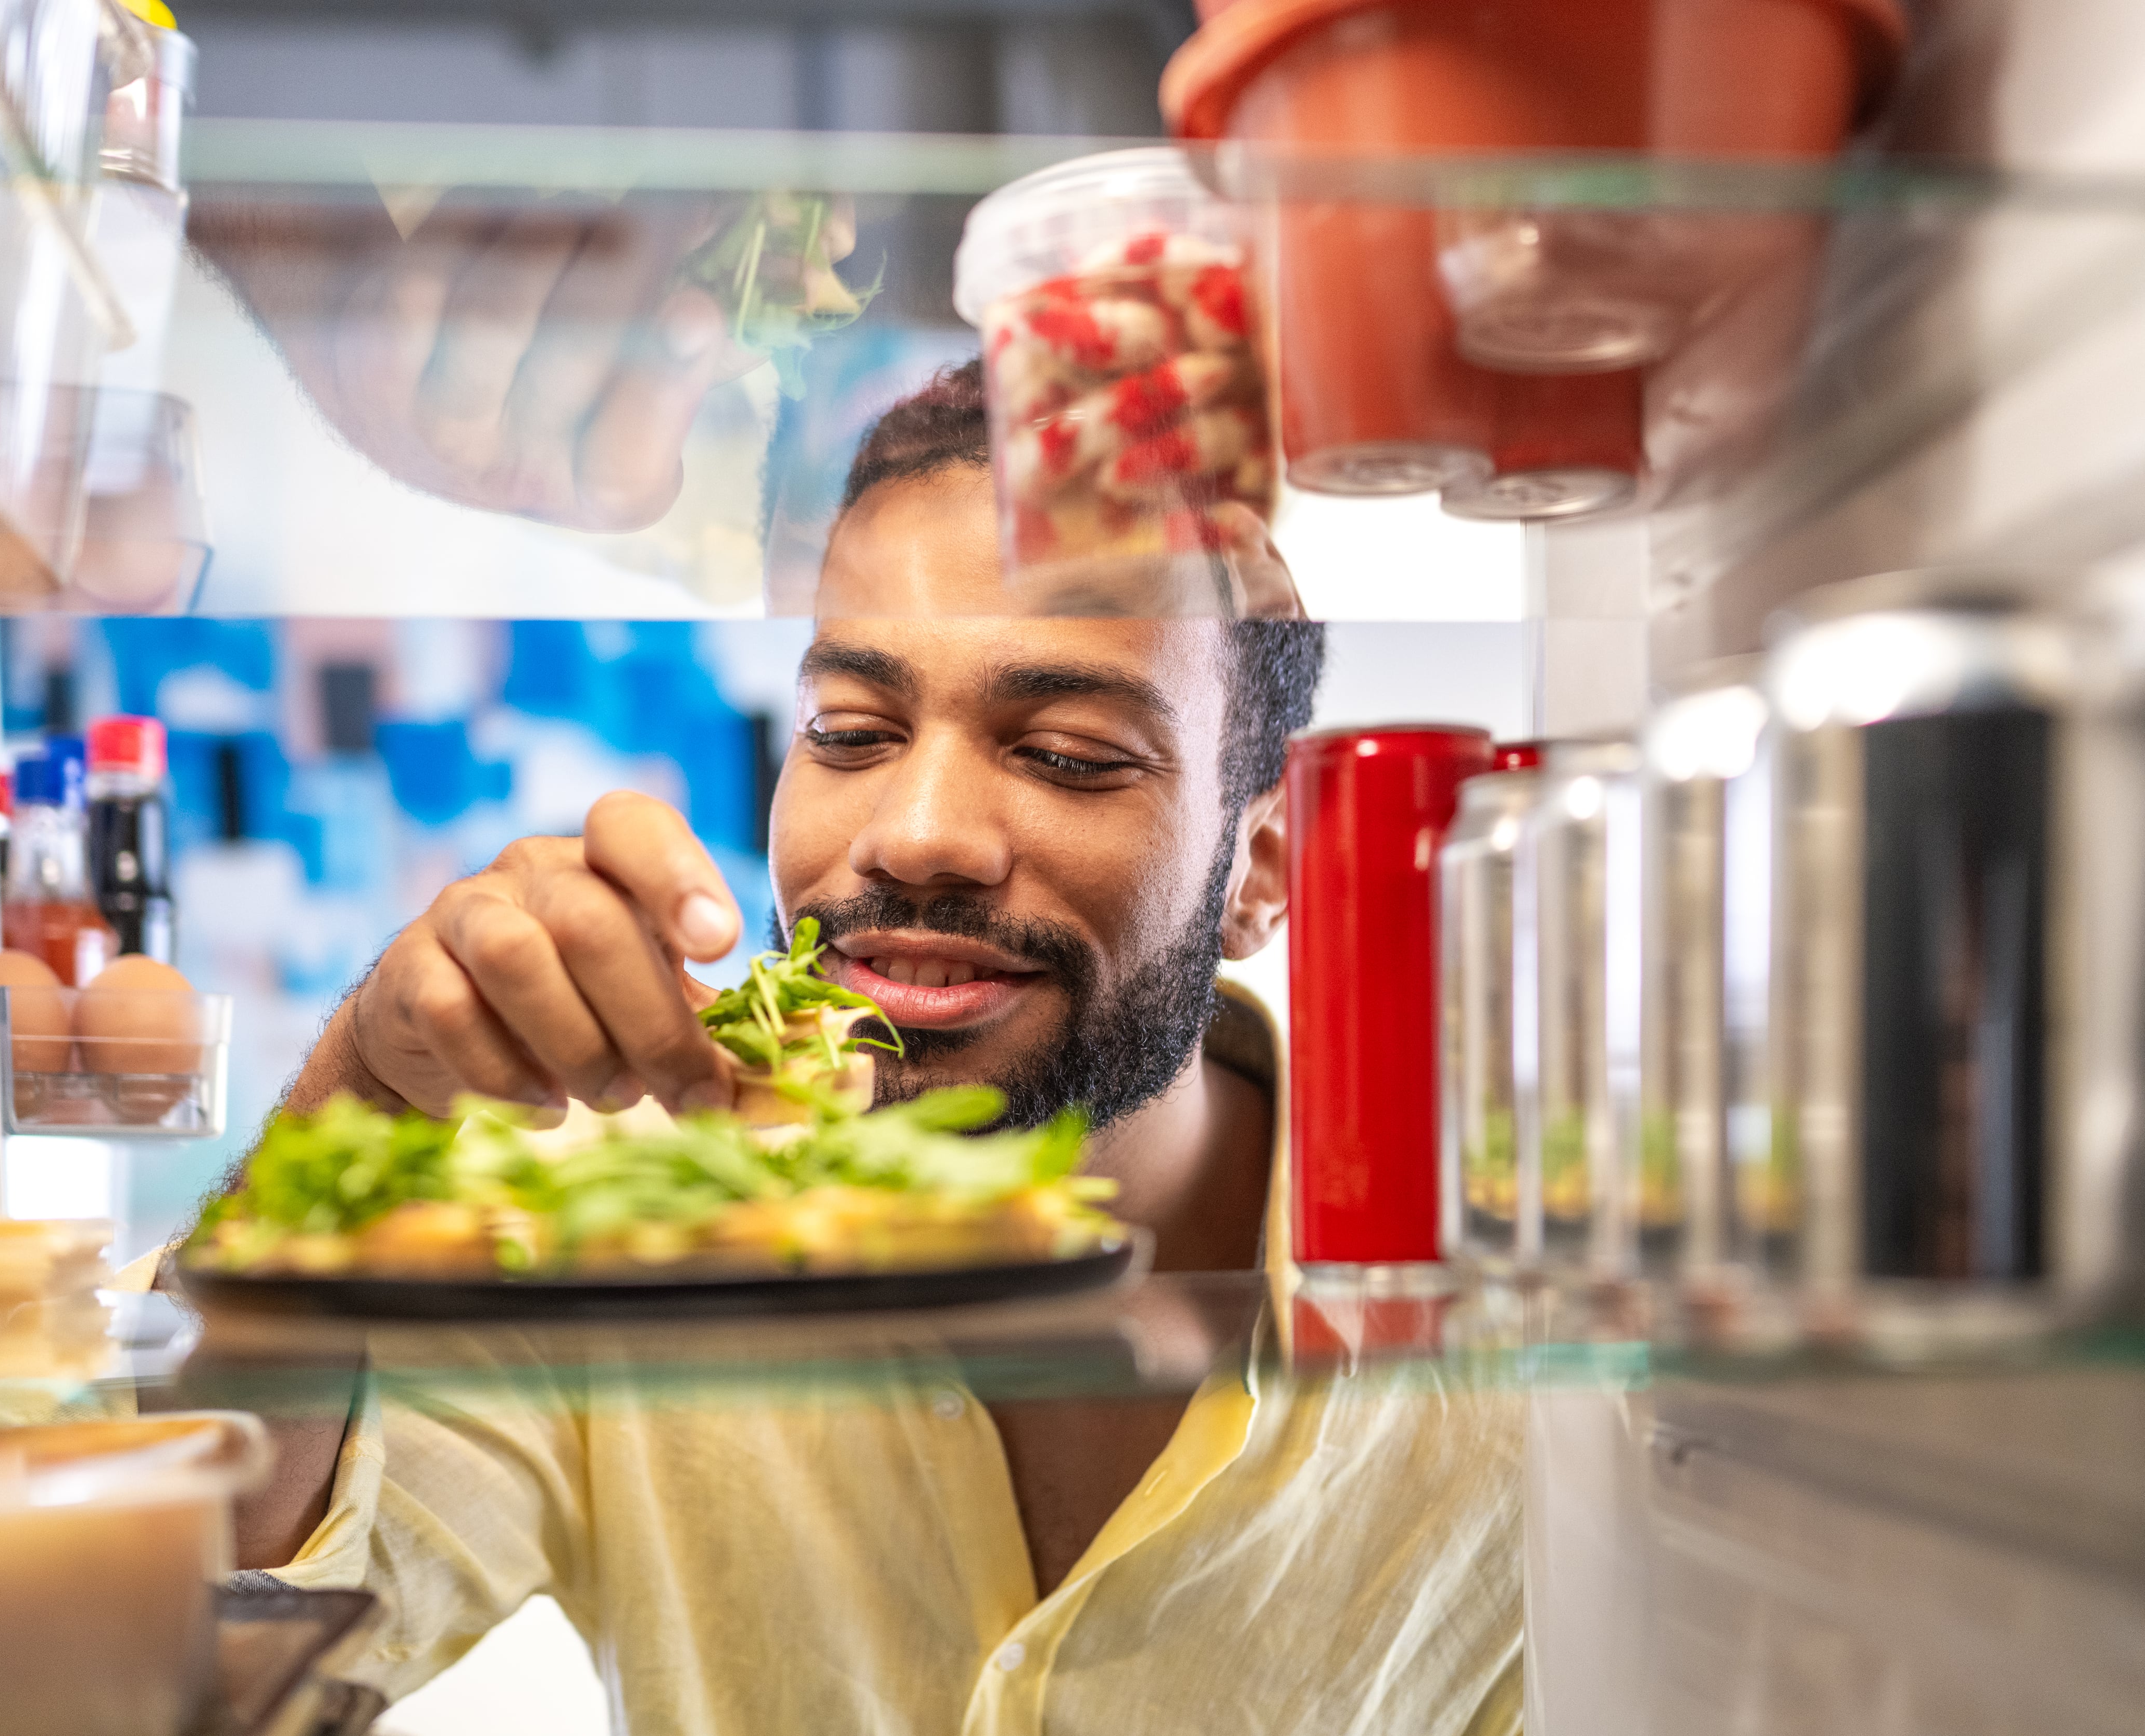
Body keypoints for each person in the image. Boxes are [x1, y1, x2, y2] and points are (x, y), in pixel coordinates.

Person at [203, 363, 1522, 1734]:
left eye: (1069, 752)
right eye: (851, 732)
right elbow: (215, 1646)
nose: (915, 833)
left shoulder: (1520, 1292)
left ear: (1259, 870)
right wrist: (354, 1100)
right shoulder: (622, 1206)